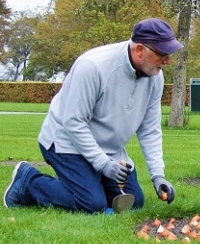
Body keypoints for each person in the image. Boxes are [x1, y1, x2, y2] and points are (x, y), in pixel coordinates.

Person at [3, 18, 183, 214]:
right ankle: (28, 180)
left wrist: (158, 176)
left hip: (109, 150)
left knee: (134, 202)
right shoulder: (93, 66)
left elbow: (150, 130)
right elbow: (74, 123)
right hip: (65, 142)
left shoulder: (154, 77)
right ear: (139, 50)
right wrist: (104, 165)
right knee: (91, 205)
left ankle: (82, 182)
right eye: (162, 54)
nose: (167, 61)